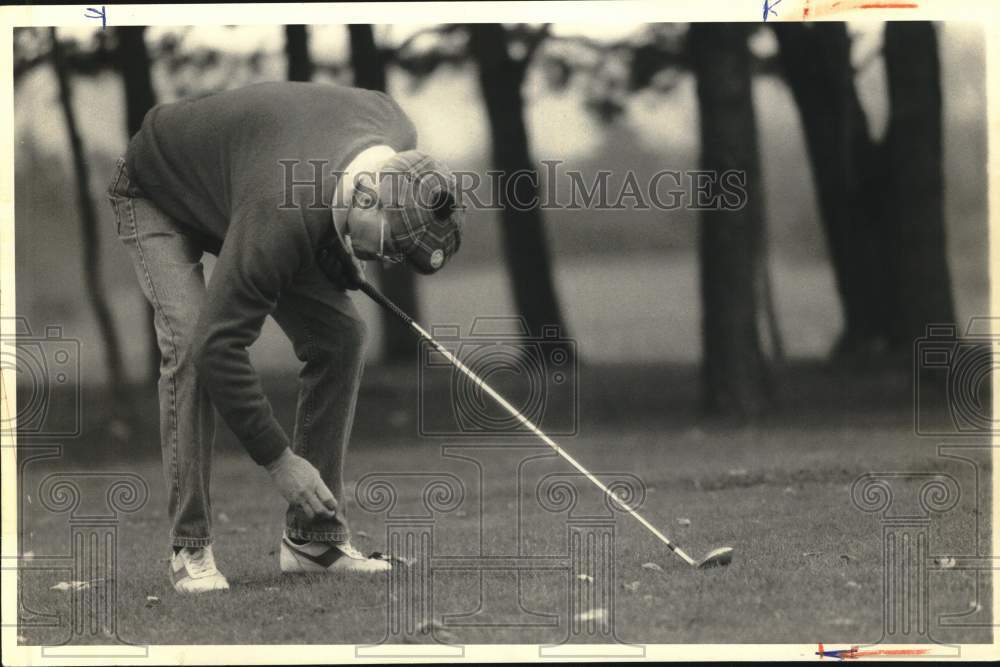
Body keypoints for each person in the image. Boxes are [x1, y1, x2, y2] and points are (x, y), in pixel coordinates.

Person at [106, 81, 464, 594]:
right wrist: (280, 460)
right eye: (389, 246)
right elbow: (218, 347)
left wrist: (338, 245)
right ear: (366, 196)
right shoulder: (282, 212)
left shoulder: (397, 136)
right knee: (189, 345)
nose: (385, 262)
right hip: (157, 186)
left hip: (245, 188)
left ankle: (314, 542)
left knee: (342, 336)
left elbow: (324, 178)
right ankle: (190, 546)